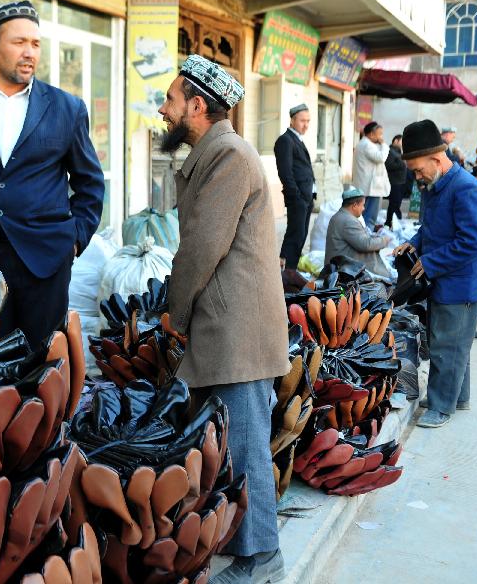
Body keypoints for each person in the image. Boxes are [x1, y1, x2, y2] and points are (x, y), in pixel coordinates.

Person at [158, 55, 290, 584]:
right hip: (227, 327)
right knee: (230, 443)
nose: (163, 110)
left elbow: (202, 249)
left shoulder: (228, 156)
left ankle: (262, 557)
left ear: (196, 105)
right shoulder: (214, 153)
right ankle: (245, 546)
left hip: (237, 331)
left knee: (243, 446)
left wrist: (176, 312)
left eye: (170, 100)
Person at [0, 0, 104, 351]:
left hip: (45, 260)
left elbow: (90, 183)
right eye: (19, 42)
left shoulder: (67, 109)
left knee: (42, 364)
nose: (29, 52)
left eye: (35, 44)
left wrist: (72, 239)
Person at [394, 120, 477, 428]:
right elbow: (432, 228)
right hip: (445, 280)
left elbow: (473, 241)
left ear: (437, 159)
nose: (417, 176)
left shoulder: (466, 189)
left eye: (418, 169)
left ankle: (441, 406)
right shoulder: (436, 185)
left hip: (460, 285)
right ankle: (455, 397)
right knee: (453, 344)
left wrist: (432, 262)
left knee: (447, 347)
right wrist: (415, 243)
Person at [275, 104, 315, 270]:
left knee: (300, 235)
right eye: (302, 121)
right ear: (292, 120)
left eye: (308, 121)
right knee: (295, 236)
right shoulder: (285, 140)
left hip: (306, 197)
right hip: (297, 198)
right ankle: (287, 273)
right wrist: (296, 197)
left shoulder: (297, 139)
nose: (305, 125)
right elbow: (286, 173)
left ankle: (290, 270)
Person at [326, 188, 392, 278]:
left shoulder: (341, 216)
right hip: (343, 271)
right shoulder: (348, 220)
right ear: (354, 205)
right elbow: (365, 244)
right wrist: (385, 240)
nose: (364, 209)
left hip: (340, 267)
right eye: (362, 205)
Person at [352, 121, 390, 230]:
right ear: (371, 134)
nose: (381, 137)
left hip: (369, 185)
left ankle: (364, 233)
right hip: (371, 187)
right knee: (369, 216)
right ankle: (366, 234)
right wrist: (384, 144)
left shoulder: (365, 144)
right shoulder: (367, 145)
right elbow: (381, 157)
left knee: (365, 213)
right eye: (380, 134)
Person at [384, 134, 408, 227]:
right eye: (402, 141)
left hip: (400, 181)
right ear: (396, 141)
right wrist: (402, 164)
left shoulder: (398, 152)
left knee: (397, 203)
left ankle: (395, 221)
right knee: (394, 203)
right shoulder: (390, 151)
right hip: (394, 182)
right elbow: (388, 165)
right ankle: (389, 222)